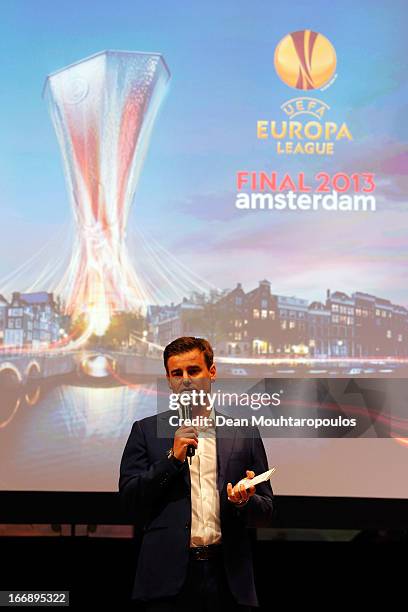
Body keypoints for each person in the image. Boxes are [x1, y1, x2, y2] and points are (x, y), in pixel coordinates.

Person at [119, 336, 274, 610]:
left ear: (211, 372)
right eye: (177, 373)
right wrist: (172, 459)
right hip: (166, 580)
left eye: (194, 370)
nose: (185, 380)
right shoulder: (145, 431)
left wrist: (244, 501)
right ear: (168, 379)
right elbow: (130, 502)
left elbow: (266, 510)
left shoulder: (244, 433)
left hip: (228, 578)